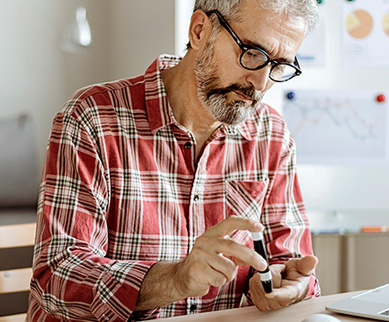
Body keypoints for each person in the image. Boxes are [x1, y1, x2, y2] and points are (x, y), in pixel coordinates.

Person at [29, 0, 320, 320]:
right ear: (199, 31)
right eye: (251, 53)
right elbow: (56, 279)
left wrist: (289, 284)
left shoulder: (270, 134)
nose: (261, 83)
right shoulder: (93, 119)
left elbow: (289, 257)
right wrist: (175, 279)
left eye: (279, 66)